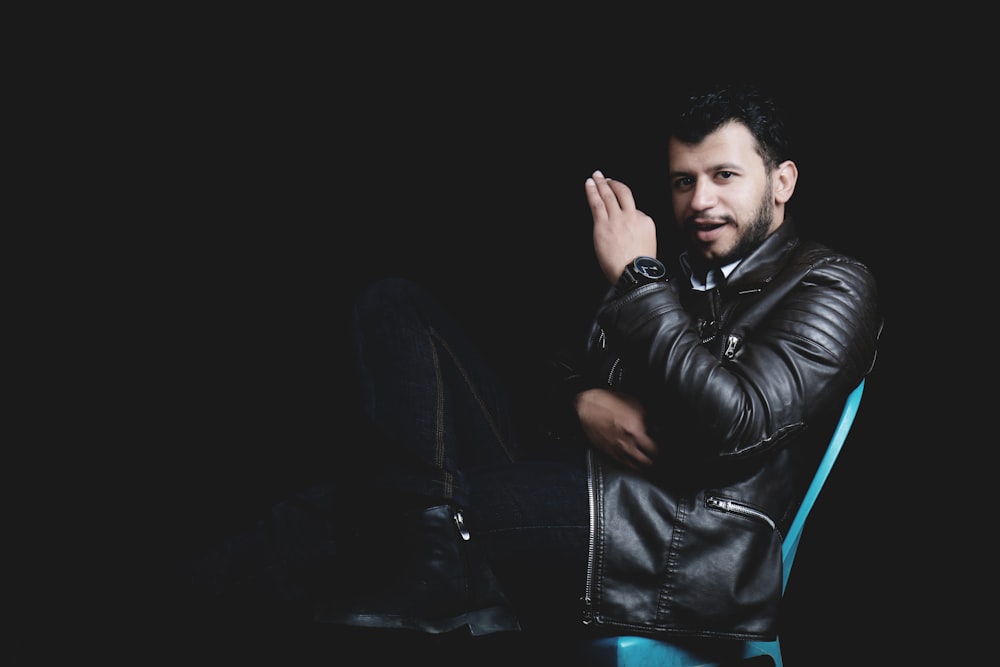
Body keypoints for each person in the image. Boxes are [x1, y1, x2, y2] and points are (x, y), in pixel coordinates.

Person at [170, 82, 883, 657]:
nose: (699, 201)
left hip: (677, 543)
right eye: (682, 180)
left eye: (724, 176)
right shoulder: (675, 279)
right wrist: (581, 402)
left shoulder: (832, 283)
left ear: (782, 181)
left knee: (358, 511)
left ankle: (182, 601)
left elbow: (739, 424)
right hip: (579, 487)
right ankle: (433, 547)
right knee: (397, 306)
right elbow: (553, 371)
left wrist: (638, 278)